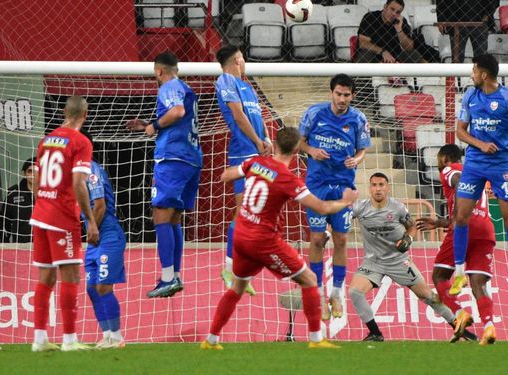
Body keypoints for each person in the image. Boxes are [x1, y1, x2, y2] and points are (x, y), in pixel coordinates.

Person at [201, 127, 355, 350]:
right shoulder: (287, 178)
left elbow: (227, 175)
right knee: (310, 280)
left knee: (236, 288)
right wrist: (345, 201)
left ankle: (211, 340)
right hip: (263, 241)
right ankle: (316, 339)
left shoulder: (255, 162)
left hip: (241, 237)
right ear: (295, 150)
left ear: (274, 143)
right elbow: (321, 207)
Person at [453, 54, 508, 302]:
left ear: (484, 75)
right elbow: (460, 131)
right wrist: (480, 144)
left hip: (502, 164)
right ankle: (459, 272)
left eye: (474, 70)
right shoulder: (470, 95)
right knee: (461, 216)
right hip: (475, 163)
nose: (471, 74)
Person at [348, 172, 468, 342]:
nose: (378, 189)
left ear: (387, 188)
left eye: (381, 185)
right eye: (374, 185)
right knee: (355, 292)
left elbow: (411, 227)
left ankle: (458, 327)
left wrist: (408, 239)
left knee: (427, 295)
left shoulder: (397, 208)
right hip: (372, 262)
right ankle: (375, 333)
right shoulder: (360, 208)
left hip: (398, 261)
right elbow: (341, 218)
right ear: (370, 188)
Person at [126, 51, 202, 298]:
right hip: (191, 157)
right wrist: (150, 122)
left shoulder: (169, 85)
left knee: (160, 213)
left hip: (172, 157)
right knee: (173, 218)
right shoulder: (186, 87)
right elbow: (181, 115)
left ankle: (167, 277)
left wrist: (154, 126)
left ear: (159, 70)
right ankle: (175, 276)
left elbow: (177, 112)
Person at [29, 96, 99, 352]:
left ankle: (39, 339)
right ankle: (69, 340)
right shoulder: (81, 142)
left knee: (45, 275)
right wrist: (90, 221)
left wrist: (43, 203)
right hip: (62, 216)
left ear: (64, 112)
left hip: (40, 214)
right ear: (86, 114)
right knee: (70, 275)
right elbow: (79, 183)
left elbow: (36, 181)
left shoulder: (46, 140)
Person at [299, 73, 370, 320]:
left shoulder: (359, 118)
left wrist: (356, 159)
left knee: (341, 239)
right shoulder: (314, 113)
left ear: (352, 95)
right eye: (338, 94)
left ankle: (337, 292)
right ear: (332, 93)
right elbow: (299, 142)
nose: (342, 99)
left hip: (343, 186)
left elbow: (363, 149)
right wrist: (311, 150)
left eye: (346, 95)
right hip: (317, 185)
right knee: (317, 239)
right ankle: (318, 291)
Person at [417, 144, 497, 346]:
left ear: (444, 158)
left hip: (464, 229)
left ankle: (460, 314)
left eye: (438, 159)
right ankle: (489, 327)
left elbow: (458, 182)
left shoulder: (449, 170)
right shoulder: (474, 173)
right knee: (478, 283)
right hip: (486, 229)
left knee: (439, 276)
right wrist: (440, 222)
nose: (437, 163)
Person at [215, 44, 271, 296]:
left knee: (251, 215)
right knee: (244, 213)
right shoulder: (226, 80)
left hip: (257, 152)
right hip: (243, 153)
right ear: (237, 60)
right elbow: (237, 115)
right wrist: (258, 142)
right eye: (243, 58)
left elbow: (259, 118)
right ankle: (230, 269)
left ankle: (239, 272)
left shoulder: (248, 87)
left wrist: (267, 138)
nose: (245, 62)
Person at [81, 131, 127, 349]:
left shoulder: (90, 169)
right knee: (91, 287)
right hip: (94, 235)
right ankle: (107, 335)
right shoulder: (77, 173)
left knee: (103, 287)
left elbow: (100, 205)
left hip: (107, 233)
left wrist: (92, 229)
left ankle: (117, 337)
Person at [356, 0, 439, 63]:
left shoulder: (401, 22)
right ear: (385, 7)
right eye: (392, 9)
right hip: (375, 53)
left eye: (398, 12)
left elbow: (408, 48)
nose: (394, 14)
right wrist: (382, 52)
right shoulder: (370, 17)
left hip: (395, 55)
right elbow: (363, 43)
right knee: (365, 55)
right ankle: (361, 83)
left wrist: (399, 30)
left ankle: (429, 80)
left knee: (414, 55)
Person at [1, 157, 35, 242]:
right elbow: (4, 222)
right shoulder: (13, 195)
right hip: (20, 248)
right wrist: (5, 244)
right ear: (24, 173)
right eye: (30, 171)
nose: (34, 174)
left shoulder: (51, 194)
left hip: (45, 247)